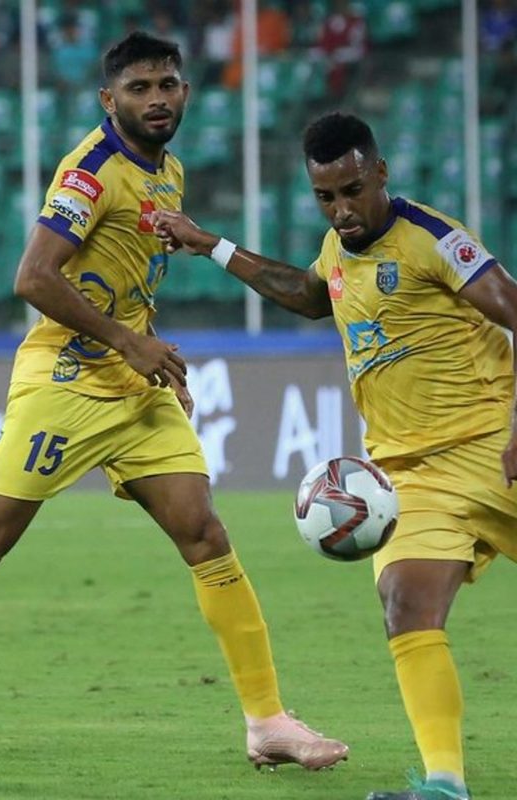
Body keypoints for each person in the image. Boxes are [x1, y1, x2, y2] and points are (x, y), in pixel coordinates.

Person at [0, 32, 349, 775]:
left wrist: (147, 347)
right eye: (139, 88)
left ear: (186, 91)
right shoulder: (92, 172)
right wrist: (129, 342)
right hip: (66, 381)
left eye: (167, 84)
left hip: (134, 386)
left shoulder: (169, 171)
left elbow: (124, 280)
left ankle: (267, 721)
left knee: (204, 533)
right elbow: (34, 277)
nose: (157, 99)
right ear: (109, 99)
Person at [151, 111, 517, 800]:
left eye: (353, 190)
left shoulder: (432, 238)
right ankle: (445, 784)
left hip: (492, 447)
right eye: (326, 197)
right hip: (411, 476)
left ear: (380, 173)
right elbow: (311, 295)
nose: (342, 210)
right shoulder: (337, 248)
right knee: (406, 605)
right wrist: (212, 246)